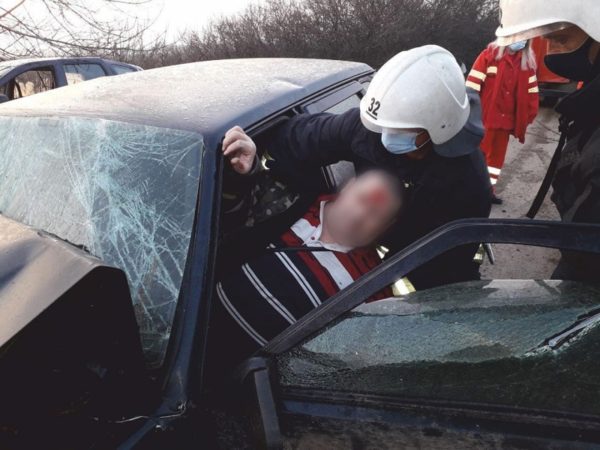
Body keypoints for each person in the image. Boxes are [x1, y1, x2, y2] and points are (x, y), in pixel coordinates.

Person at [224, 45, 492, 290]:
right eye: (384, 127)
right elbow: (302, 137)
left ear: (437, 130)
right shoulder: (369, 128)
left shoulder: (468, 186)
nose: (386, 137)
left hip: (422, 255)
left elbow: (443, 270)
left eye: (400, 131)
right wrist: (253, 150)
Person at [208, 133, 404, 372]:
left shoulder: (375, 292)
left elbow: (348, 366)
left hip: (243, 385)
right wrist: (243, 169)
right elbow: (227, 211)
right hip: (187, 334)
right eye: (361, 199)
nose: (361, 215)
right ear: (349, 188)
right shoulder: (288, 200)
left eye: (375, 214)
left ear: (387, 226)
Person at [496, 0, 600, 280]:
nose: (550, 51)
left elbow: (587, 252)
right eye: (547, 40)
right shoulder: (589, 108)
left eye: (561, 39)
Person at [467, 39, 540, 204]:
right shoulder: (489, 56)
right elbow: (471, 88)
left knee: (495, 162)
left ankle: (487, 192)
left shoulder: (527, 64)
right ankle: (471, 191)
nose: (520, 41)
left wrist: (528, 116)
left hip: (505, 123)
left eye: (524, 38)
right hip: (483, 120)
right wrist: (470, 115)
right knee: (478, 158)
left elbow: (532, 94)